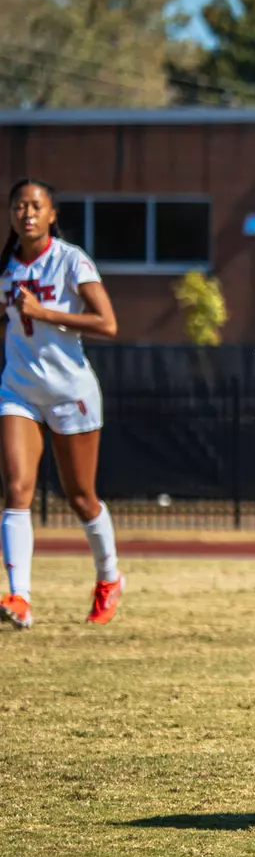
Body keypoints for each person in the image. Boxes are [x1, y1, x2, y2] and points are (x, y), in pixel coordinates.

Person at [0, 179, 123, 629]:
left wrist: (46, 312)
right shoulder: (6, 268)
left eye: (36, 206)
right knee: (16, 490)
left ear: (52, 214)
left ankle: (109, 578)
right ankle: (19, 598)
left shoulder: (71, 260)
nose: (27, 213)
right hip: (19, 390)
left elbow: (107, 323)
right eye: (19, 206)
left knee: (80, 497)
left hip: (71, 392)